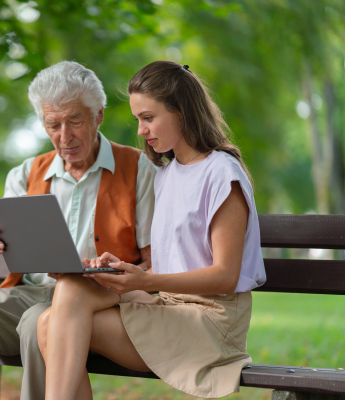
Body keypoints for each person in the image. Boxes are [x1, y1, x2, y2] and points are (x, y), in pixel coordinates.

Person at [36, 61, 267, 400]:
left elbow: (225, 276)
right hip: (169, 306)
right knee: (68, 291)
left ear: (182, 113)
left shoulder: (221, 173)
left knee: (53, 327)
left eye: (148, 117)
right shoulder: (167, 174)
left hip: (210, 324)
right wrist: (122, 272)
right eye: (138, 120)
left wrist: (147, 281)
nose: (141, 131)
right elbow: (171, 263)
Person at [0, 61, 157, 400]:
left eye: (75, 122)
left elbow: (152, 263)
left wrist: (113, 277)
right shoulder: (25, 173)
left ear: (98, 115)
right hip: (30, 291)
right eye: (52, 124)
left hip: (97, 301)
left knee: (36, 322)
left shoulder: (138, 169)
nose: (64, 137)